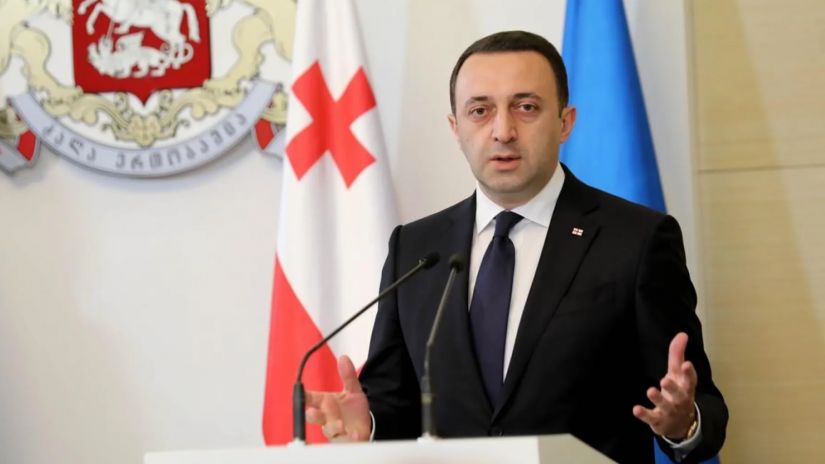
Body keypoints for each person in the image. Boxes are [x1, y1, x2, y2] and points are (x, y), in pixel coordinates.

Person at [304, 30, 727, 463]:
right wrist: (370, 425)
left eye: (526, 108)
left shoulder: (636, 239)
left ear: (565, 122)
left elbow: (704, 408)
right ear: (455, 128)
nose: (502, 131)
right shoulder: (415, 249)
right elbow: (396, 401)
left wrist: (684, 423)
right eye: (480, 111)